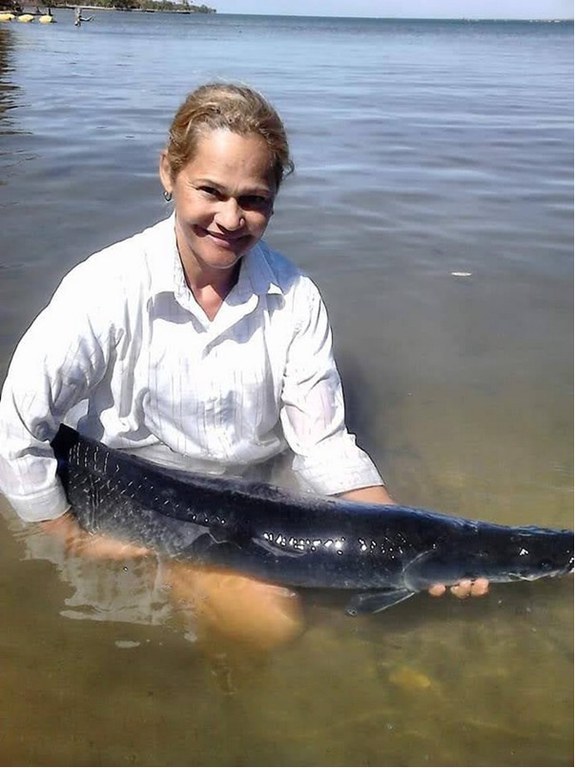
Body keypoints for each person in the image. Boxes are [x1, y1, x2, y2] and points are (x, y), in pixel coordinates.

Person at [0, 83, 489, 651]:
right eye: (211, 190)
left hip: (253, 506)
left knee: (328, 596)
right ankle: (184, 581)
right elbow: (16, 422)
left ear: (275, 198)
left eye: (253, 198)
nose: (230, 218)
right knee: (277, 624)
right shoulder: (104, 289)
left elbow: (323, 445)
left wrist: (413, 539)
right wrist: (68, 538)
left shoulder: (296, 297)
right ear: (168, 174)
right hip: (137, 494)